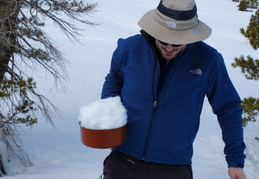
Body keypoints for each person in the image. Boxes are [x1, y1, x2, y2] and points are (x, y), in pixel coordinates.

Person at [101, 0, 246, 178]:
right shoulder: (129, 49)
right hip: (123, 159)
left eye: (177, 43)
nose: (169, 48)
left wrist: (235, 161)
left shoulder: (208, 60)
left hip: (174, 166)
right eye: (164, 39)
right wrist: (109, 114)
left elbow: (228, 108)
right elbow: (114, 80)